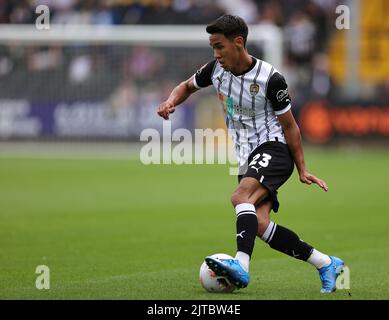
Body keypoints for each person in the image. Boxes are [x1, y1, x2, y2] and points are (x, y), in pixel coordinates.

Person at [157, 14, 344, 293]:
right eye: (213, 48)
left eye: (219, 46)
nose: (216, 54)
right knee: (259, 224)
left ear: (238, 42)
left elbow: (291, 127)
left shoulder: (271, 79)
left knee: (240, 197)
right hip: (247, 157)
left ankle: (241, 266)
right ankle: (326, 263)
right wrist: (171, 101)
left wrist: (302, 168)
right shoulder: (214, 70)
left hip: (274, 148)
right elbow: (185, 87)